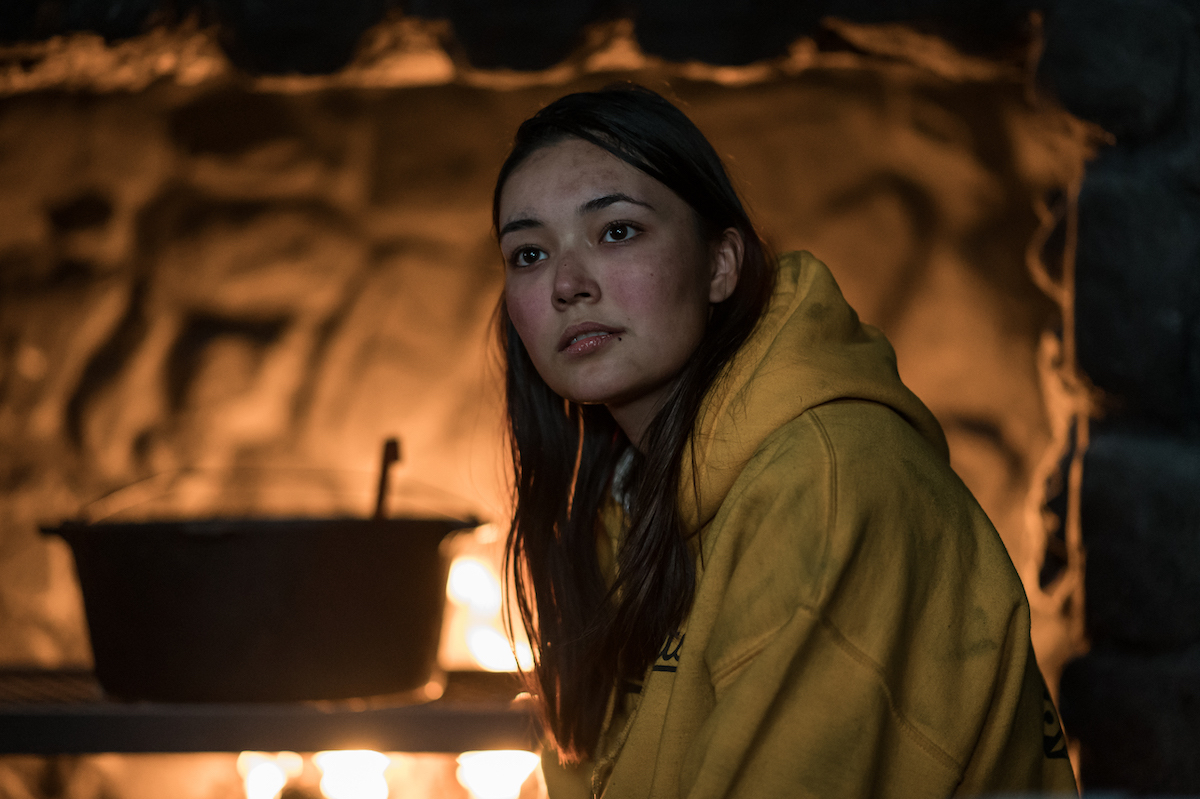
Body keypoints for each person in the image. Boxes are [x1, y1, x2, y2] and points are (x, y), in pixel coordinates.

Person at [493, 83, 1077, 798]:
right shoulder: (624, 504)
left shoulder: (829, 486)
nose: (567, 284)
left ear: (720, 265)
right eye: (528, 254)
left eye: (617, 230)